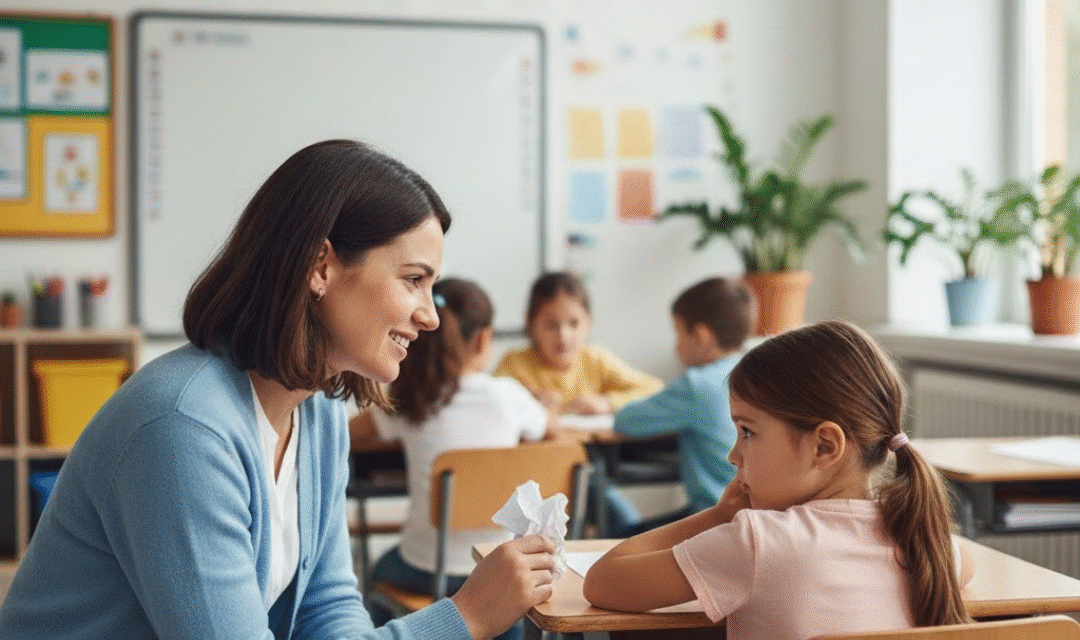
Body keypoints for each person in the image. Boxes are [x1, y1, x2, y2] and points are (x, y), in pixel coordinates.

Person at [0, 140, 556, 640]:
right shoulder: (182, 428)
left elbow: (326, 609)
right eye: (413, 280)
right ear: (320, 266)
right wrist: (467, 616)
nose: (428, 316)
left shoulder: (317, 412)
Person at [583, 320, 975, 640]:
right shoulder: (926, 541)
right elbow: (967, 564)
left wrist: (718, 517)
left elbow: (602, 582)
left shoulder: (758, 541)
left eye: (748, 432)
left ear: (824, 446)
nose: (733, 455)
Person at [350, 277, 551, 639]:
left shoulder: (409, 399)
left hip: (424, 566)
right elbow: (549, 430)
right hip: (498, 568)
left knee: (378, 570)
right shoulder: (510, 395)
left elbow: (350, 434)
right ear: (483, 339)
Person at [612, 277, 753, 535]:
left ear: (700, 337)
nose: (675, 346)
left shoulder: (696, 386)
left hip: (713, 517)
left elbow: (625, 421)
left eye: (678, 333)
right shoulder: (752, 372)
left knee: (618, 534)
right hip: (749, 517)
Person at [494, 271, 662, 415]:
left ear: (588, 322)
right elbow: (490, 404)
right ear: (531, 325)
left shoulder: (596, 359)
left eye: (574, 324)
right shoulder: (515, 363)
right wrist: (527, 402)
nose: (563, 335)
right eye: (551, 325)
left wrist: (608, 403)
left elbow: (655, 388)